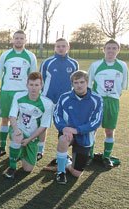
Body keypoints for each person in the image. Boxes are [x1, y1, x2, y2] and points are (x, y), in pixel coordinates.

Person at [53, 70, 103, 184]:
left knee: (76, 174)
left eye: (82, 82)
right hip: (68, 133)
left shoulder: (97, 99)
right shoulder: (64, 97)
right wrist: (64, 128)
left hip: (84, 135)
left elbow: (96, 121)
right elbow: (57, 115)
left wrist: (77, 130)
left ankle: (66, 162)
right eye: (76, 82)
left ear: (87, 82)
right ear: (72, 84)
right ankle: (61, 172)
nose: (79, 85)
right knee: (63, 139)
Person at [3, 72, 53, 179]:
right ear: (27, 85)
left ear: (41, 86)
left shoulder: (47, 103)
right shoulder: (18, 96)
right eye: (31, 85)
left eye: (36, 85)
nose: (33, 88)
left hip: (32, 136)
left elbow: (43, 127)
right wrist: (16, 129)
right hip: (19, 129)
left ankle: (19, 152)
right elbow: (12, 116)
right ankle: (12, 167)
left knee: (28, 169)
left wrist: (29, 139)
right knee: (17, 137)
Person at [0, 30, 38, 157]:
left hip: (23, 93)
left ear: (25, 40)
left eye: (21, 38)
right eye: (16, 38)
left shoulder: (30, 56)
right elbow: (0, 72)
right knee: (5, 119)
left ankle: (19, 146)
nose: (19, 40)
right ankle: (2, 146)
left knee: (21, 120)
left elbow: (33, 74)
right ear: (13, 40)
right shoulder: (5, 54)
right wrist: (8, 84)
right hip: (7, 92)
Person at [88, 39, 128, 167]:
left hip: (113, 102)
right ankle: (89, 155)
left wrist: (113, 96)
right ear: (104, 49)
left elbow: (123, 86)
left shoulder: (122, 65)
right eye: (108, 48)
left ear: (118, 50)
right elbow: (89, 84)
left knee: (109, 131)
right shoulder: (95, 65)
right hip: (97, 101)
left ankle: (106, 156)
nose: (111, 50)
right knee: (92, 130)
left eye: (114, 48)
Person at [38, 38, 78, 161]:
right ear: (55, 48)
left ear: (68, 47)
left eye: (63, 46)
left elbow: (75, 83)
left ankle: (63, 153)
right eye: (58, 46)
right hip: (48, 99)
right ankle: (40, 150)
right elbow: (41, 81)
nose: (61, 48)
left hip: (65, 102)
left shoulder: (73, 63)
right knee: (43, 125)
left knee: (64, 127)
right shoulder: (47, 62)